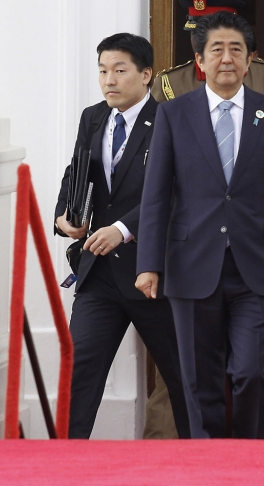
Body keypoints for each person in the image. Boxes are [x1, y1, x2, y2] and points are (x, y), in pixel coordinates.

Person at [144, 0, 264, 440]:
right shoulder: (173, 114)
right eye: (216, 50)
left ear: (250, 59)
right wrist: (149, 264)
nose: (226, 58)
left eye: (235, 49)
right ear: (199, 59)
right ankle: (209, 459)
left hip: (256, 265)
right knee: (199, 379)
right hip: (190, 262)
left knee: (253, 370)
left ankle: (251, 454)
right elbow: (157, 194)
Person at [53, 33, 190, 439]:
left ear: (146, 74)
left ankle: (204, 461)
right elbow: (76, 172)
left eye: (119, 70)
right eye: (102, 71)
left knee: (184, 381)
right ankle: (63, 463)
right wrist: (66, 217)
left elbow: (174, 189)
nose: (108, 80)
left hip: (155, 274)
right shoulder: (92, 117)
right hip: (99, 276)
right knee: (77, 375)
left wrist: (123, 229)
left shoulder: (170, 119)